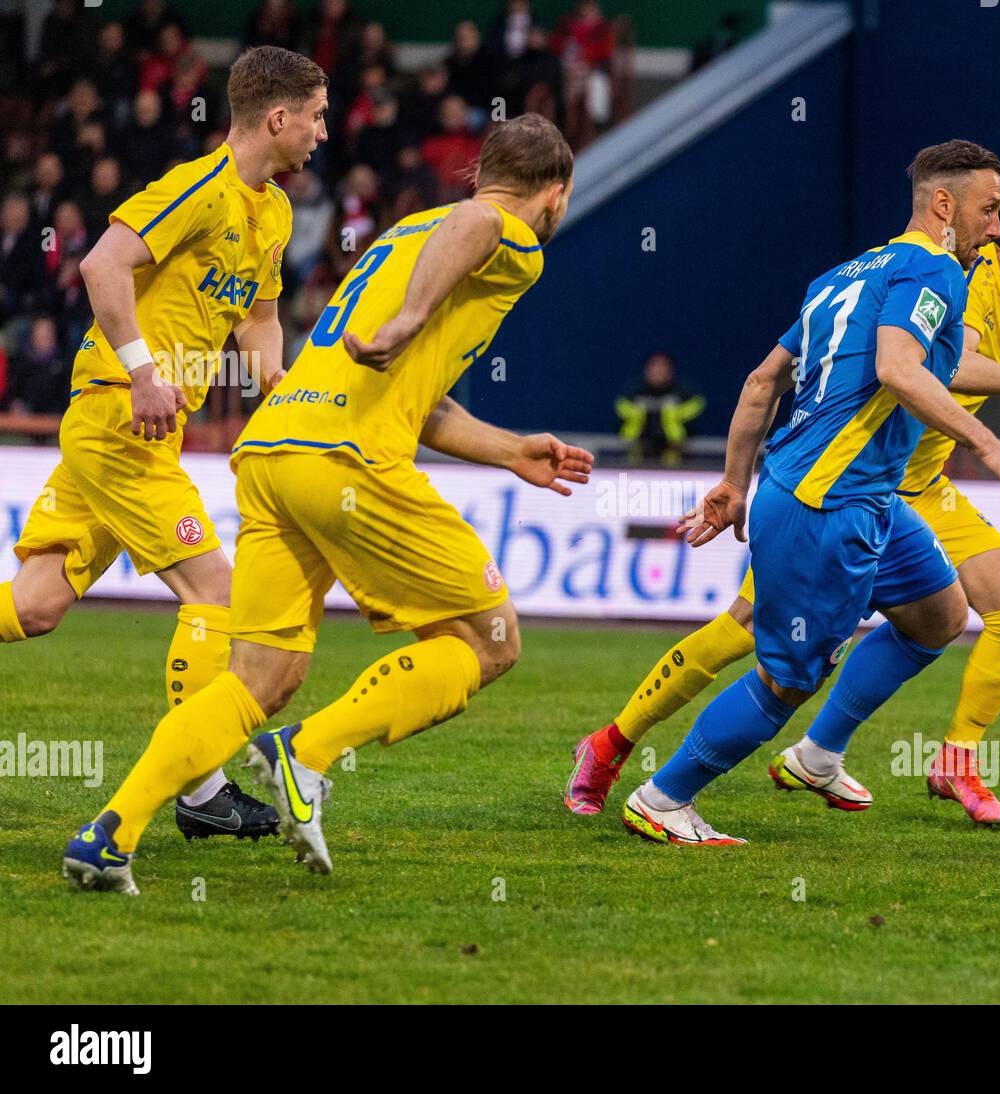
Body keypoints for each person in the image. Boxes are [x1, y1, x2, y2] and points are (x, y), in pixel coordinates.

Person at [62, 114, 591, 896]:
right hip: (347, 459)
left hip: (275, 450)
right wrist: (412, 316)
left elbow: (422, 402)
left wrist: (510, 449)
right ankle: (306, 750)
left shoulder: (406, 233)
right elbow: (485, 221)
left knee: (260, 678)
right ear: (555, 191)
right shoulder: (504, 230)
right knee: (492, 641)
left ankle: (110, 834)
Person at [568, 163, 1000, 827]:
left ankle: (866, 755)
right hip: (840, 486)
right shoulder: (955, 274)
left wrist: (736, 482)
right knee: (754, 642)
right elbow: (936, 366)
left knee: (966, 614)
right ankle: (618, 751)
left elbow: (768, 379)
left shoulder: (979, 294)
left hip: (906, 488)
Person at [3, 46, 327, 843]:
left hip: (141, 428)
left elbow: (255, 314)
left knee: (37, 605)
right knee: (218, 594)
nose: (324, 131)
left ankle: (198, 788)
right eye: (316, 115)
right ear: (277, 117)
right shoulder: (194, 188)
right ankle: (201, 789)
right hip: (122, 415)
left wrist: (276, 382)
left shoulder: (274, 211)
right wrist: (146, 371)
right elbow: (102, 262)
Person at [615, 351, 706, 465]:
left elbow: (697, 407)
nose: (658, 370)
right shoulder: (634, 392)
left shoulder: (684, 393)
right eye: (654, 366)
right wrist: (638, 413)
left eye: (663, 366)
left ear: (671, 370)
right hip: (637, 455)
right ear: (646, 369)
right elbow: (621, 409)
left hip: (676, 455)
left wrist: (673, 414)